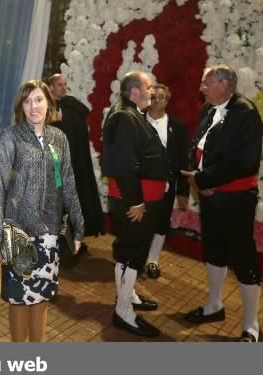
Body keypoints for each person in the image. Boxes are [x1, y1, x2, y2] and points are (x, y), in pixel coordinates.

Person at [0, 79, 84, 342]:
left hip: (49, 233)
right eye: (27, 101)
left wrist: (78, 225)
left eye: (39, 100)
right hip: (17, 232)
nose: (33, 106)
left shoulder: (58, 138)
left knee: (41, 297)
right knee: (18, 299)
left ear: (49, 104)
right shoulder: (11, 137)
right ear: (21, 106)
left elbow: (69, 183)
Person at [181, 65, 263, 343]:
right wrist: (197, 179)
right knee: (214, 249)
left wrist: (204, 179)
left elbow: (245, 162)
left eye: (206, 83)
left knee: (242, 255)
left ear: (223, 83)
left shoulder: (246, 113)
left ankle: (252, 324)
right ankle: (214, 305)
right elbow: (197, 145)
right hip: (210, 193)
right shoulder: (208, 109)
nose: (202, 88)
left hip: (236, 197)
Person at [102, 71, 170, 338]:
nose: (152, 91)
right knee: (129, 254)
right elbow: (125, 165)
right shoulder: (124, 117)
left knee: (134, 253)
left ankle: (128, 296)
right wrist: (137, 202)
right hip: (133, 201)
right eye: (148, 87)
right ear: (134, 92)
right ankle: (123, 311)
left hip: (141, 199)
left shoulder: (130, 114)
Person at [47, 74, 105, 241]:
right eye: (60, 85)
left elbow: (79, 131)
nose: (64, 87)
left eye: (65, 84)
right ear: (51, 87)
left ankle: (73, 238)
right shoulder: (43, 106)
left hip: (75, 162)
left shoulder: (72, 105)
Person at [145, 83, 190, 279]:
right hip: (141, 183)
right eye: (152, 97)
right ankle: (136, 258)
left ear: (167, 100)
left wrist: (183, 191)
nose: (155, 101)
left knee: (161, 221)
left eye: (160, 97)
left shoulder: (177, 127)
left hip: (166, 183)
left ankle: (153, 260)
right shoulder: (137, 121)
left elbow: (183, 160)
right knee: (140, 221)